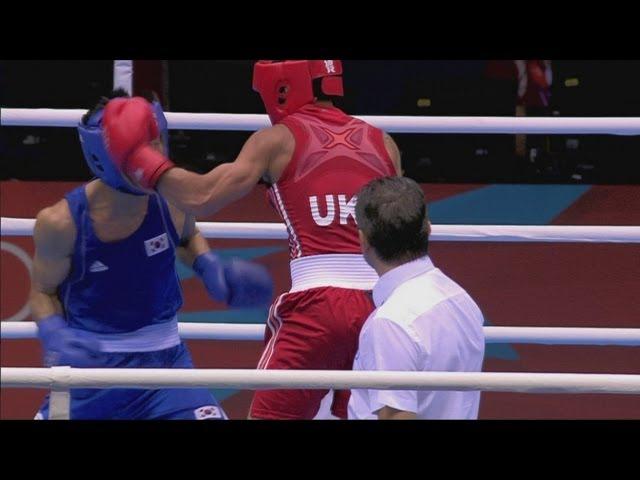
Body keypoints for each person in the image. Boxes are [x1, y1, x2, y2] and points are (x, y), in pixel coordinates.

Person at [97, 60, 402, 419]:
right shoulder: (383, 142)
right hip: (383, 304)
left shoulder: (278, 138)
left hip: (317, 308)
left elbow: (202, 197)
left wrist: (142, 162)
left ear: (284, 86)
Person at [31, 90, 273, 420]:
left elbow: (188, 238)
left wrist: (208, 266)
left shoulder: (175, 199)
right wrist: (53, 333)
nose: (154, 154)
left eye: (156, 140)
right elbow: (44, 290)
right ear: (105, 153)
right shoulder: (62, 222)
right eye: (141, 146)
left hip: (166, 365)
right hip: (91, 373)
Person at [348, 176, 485, 420]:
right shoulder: (461, 299)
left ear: (363, 240)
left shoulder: (390, 323)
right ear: (428, 228)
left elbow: (396, 416)